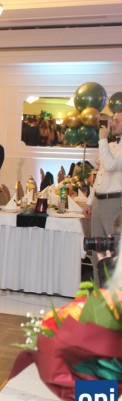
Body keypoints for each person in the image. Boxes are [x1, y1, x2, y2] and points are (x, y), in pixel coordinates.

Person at [84, 111, 122, 285]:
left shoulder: (109, 145)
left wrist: (102, 140)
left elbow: (110, 164)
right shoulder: (111, 145)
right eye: (113, 121)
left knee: (112, 248)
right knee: (96, 248)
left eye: (117, 121)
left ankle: (113, 291)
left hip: (114, 201)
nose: (112, 124)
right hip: (99, 201)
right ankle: (99, 290)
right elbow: (100, 175)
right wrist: (90, 201)